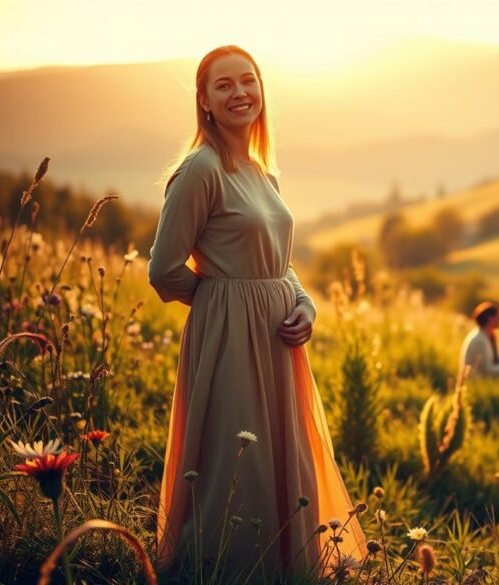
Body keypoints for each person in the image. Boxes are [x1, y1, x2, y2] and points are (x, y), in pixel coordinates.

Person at [150, 46, 365, 576]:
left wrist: (304, 302)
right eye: (223, 85)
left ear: (262, 90)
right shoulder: (200, 171)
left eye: (248, 80)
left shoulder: (263, 173)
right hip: (229, 337)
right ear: (203, 101)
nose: (239, 92)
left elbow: (280, 265)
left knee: (284, 456)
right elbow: (163, 270)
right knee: (236, 463)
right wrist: (218, 300)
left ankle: (288, 566)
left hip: (278, 339)